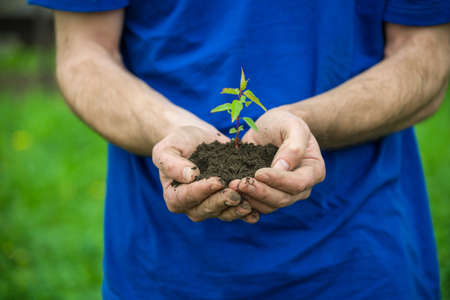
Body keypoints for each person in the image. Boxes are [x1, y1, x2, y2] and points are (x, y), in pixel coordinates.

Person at [29, 0, 449, 299]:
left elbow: (426, 56)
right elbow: (83, 54)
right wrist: (174, 129)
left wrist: (306, 125)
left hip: (359, 258)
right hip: (163, 266)